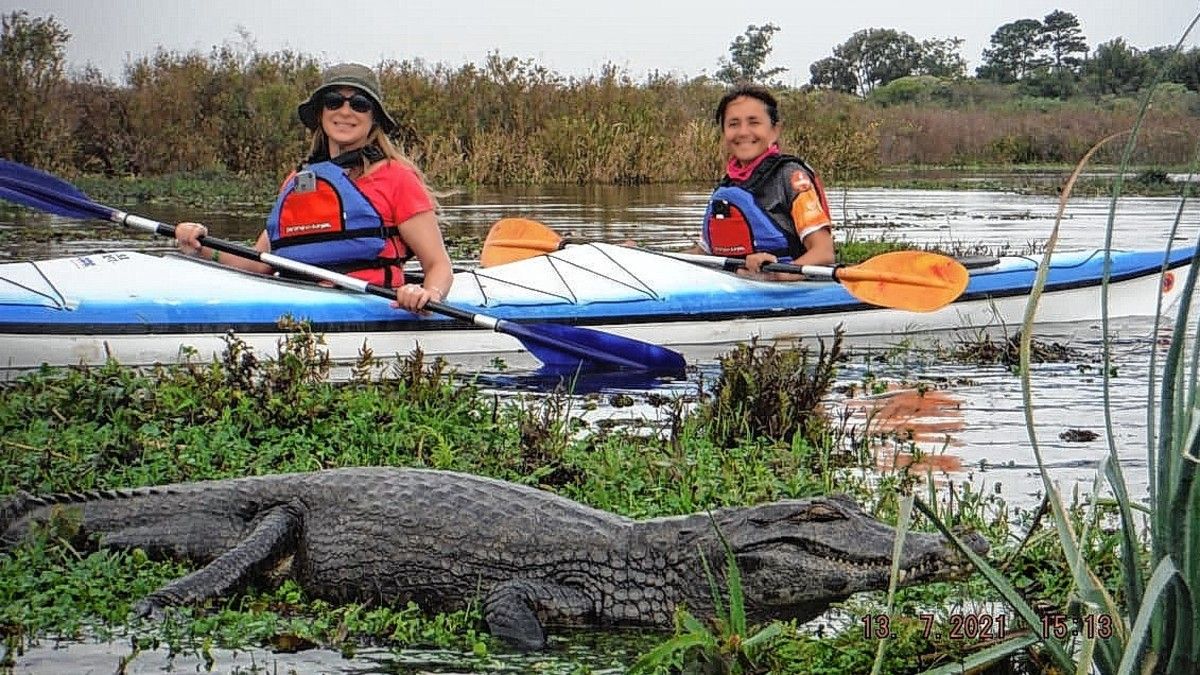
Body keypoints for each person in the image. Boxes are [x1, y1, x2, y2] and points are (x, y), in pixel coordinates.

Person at [174, 63, 453, 312]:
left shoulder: (397, 178)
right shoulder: (299, 182)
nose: (345, 111)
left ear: (374, 119)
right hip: (298, 301)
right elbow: (259, 263)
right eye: (333, 102)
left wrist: (428, 294)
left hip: (375, 306)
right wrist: (200, 245)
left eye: (359, 104)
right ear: (321, 113)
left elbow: (438, 265)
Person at [698, 84, 836, 281]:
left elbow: (823, 252)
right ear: (724, 133)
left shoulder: (791, 177)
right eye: (733, 124)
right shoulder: (726, 187)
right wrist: (644, 256)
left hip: (792, 289)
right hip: (740, 285)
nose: (743, 132)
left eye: (754, 122)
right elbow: (702, 253)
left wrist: (778, 273)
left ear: (774, 131)